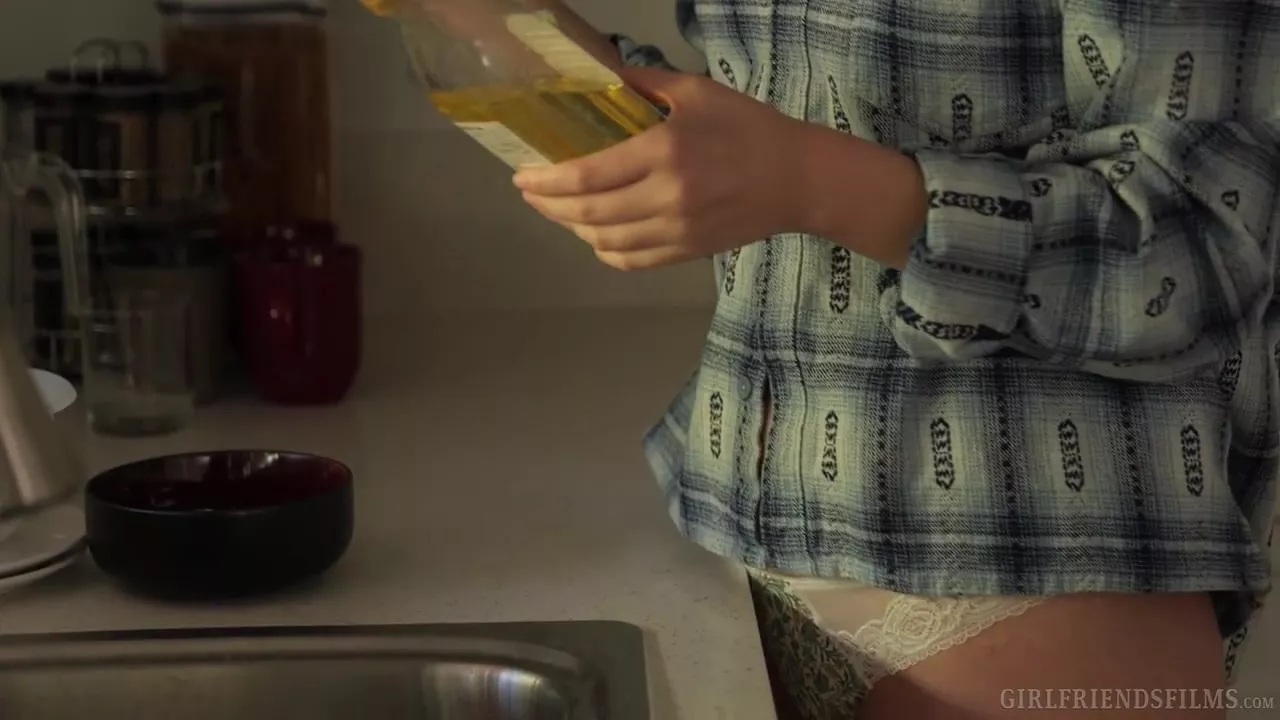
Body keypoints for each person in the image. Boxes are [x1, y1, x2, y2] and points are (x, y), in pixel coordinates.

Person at [512, 1, 1280, 717]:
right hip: (726, 524)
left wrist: (808, 181)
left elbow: (1208, 243)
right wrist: (494, 27)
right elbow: (747, 113)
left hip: (1028, 572)